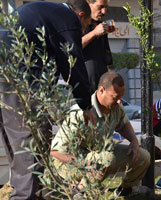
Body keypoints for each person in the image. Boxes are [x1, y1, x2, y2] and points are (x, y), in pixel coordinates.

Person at [0, 0, 96, 199]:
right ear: (80, 16)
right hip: (22, 82)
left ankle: (28, 193)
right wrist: (86, 107)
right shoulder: (68, 19)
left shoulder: (41, 10)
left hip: (6, 77)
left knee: (18, 146)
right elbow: (72, 63)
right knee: (32, 143)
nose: (81, 31)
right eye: (85, 26)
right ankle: (25, 196)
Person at [50, 72, 150, 196]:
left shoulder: (116, 107)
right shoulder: (81, 113)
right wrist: (83, 164)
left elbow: (124, 124)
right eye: (115, 97)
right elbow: (55, 151)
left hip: (101, 156)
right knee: (105, 159)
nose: (119, 101)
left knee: (143, 156)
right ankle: (80, 192)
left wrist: (134, 141)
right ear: (101, 90)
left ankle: (125, 191)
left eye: (121, 97)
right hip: (71, 164)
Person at [82, 0, 113, 93]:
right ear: (88, 3)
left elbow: (105, 57)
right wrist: (94, 33)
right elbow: (73, 46)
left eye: (106, 7)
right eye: (100, 7)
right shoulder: (79, 23)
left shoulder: (101, 25)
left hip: (101, 86)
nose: (104, 11)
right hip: (85, 85)